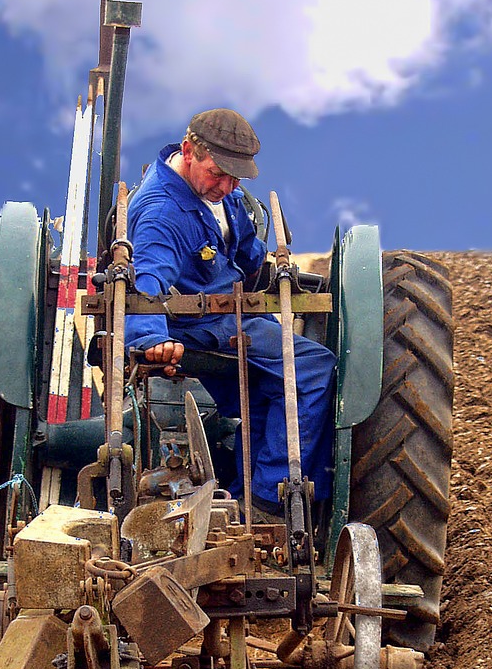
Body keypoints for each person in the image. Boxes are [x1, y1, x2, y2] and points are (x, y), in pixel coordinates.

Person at [124, 108, 336, 510]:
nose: (228, 184)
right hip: (202, 324)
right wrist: (151, 338)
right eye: (219, 173)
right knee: (311, 369)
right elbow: (145, 281)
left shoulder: (221, 192)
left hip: (234, 310)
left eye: (237, 176)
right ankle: (271, 499)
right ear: (189, 152)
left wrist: (270, 274)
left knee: (260, 396)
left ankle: (241, 499)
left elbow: (244, 251)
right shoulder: (161, 213)